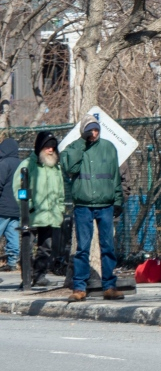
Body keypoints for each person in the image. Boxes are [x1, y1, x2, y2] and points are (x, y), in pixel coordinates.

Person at [62, 115, 124, 302]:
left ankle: (109, 286)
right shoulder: (74, 148)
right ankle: (79, 288)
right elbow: (69, 167)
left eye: (96, 129)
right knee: (82, 248)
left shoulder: (109, 148)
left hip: (105, 205)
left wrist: (118, 200)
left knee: (108, 247)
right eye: (90, 130)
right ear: (83, 131)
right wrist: (82, 143)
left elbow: (115, 177)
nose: (94, 133)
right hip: (83, 206)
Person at [12, 132, 63, 287]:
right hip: (33, 215)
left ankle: (39, 275)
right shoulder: (28, 164)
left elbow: (61, 191)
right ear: (40, 147)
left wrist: (59, 209)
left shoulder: (56, 167)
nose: (50, 150)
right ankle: (26, 277)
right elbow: (17, 188)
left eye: (53, 147)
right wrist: (28, 206)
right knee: (27, 246)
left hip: (51, 215)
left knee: (46, 247)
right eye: (47, 146)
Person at [0, 138, 21, 272]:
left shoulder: (4, 164)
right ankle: (13, 261)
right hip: (18, 207)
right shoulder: (21, 164)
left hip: (3, 207)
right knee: (13, 234)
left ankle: (12, 261)